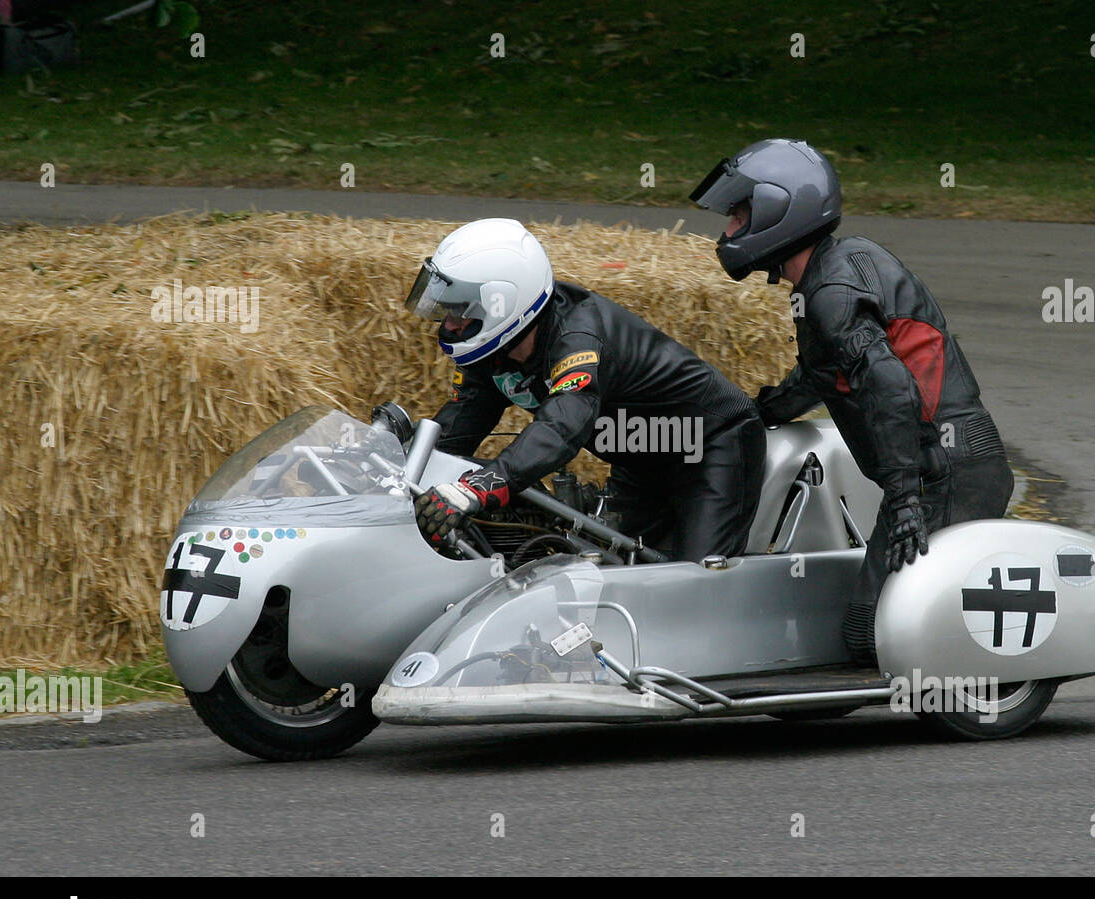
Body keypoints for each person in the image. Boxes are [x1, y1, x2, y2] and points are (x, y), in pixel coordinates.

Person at [690, 139, 1013, 666]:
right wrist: (756, 413)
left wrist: (905, 497)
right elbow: (826, 374)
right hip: (941, 467)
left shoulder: (831, 291)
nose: (728, 231)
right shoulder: (830, 272)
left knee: (870, 635)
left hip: (945, 473)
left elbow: (889, 386)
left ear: (779, 212)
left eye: (740, 215)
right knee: (864, 628)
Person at [404, 217, 765, 562]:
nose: (449, 324)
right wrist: (406, 466)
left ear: (503, 303)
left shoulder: (576, 340)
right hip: (640, 457)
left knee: (692, 581)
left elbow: (562, 425)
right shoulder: (496, 351)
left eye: (460, 311)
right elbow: (462, 421)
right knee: (618, 569)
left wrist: (485, 484)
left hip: (708, 446)